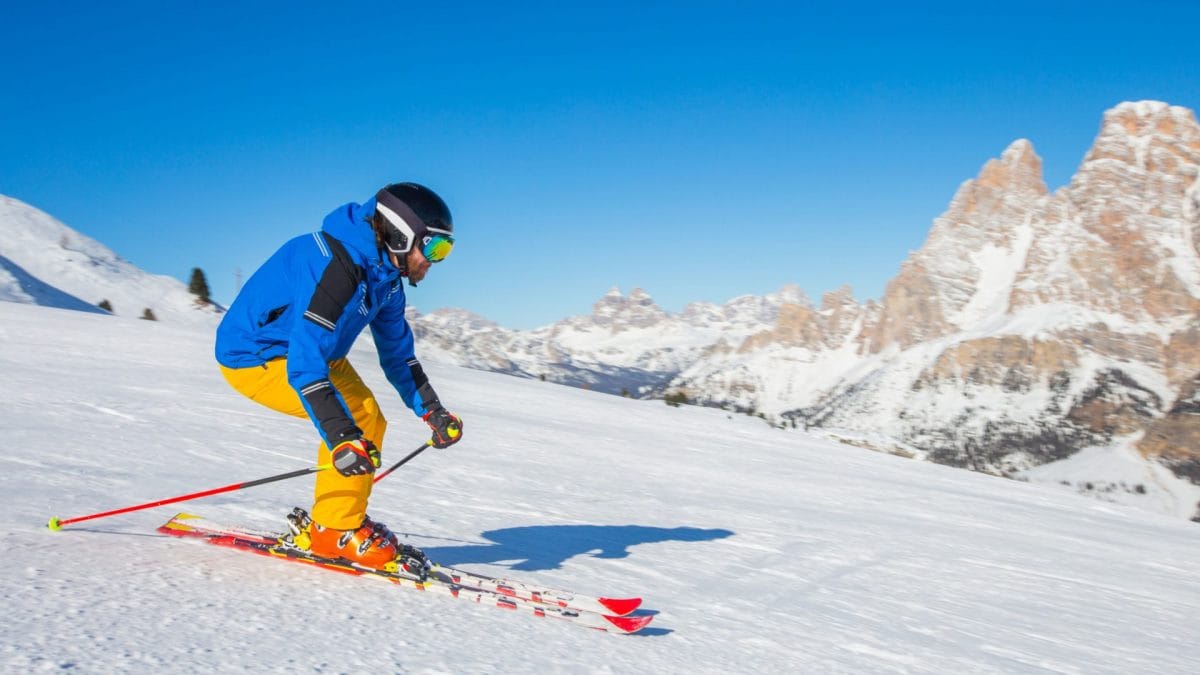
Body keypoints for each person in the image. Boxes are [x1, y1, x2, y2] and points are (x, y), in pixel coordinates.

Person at [214, 182, 463, 570]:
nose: (435, 260)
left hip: (316, 353)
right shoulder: (334, 267)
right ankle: (333, 531)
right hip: (256, 356)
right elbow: (303, 362)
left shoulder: (384, 281)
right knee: (355, 420)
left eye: (445, 250)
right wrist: (341, 438)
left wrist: (432, 411)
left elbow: (399, 357)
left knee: (368, 417)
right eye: (433, 247)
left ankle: (337, 520)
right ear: (399, 235)